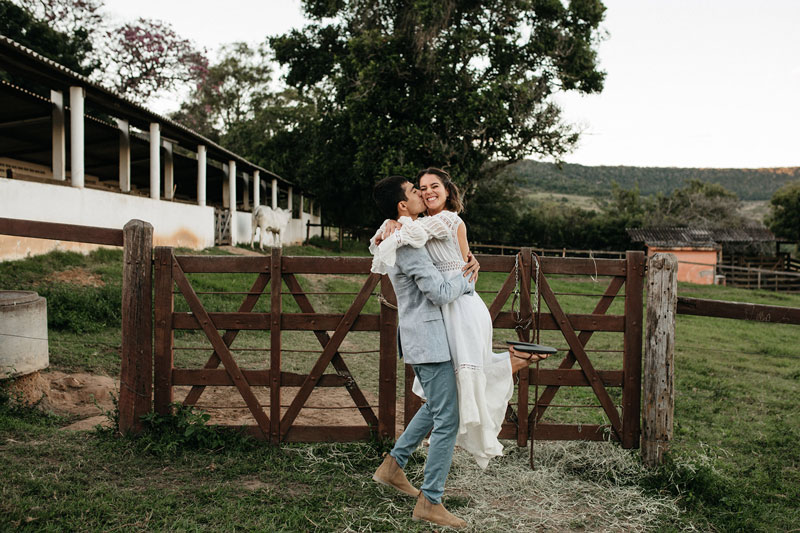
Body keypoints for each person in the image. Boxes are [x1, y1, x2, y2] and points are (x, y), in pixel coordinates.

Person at [370, 167, 546, 472]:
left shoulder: (446, 221)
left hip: (460, 308)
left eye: (433, 186)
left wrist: (393, 223)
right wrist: (391, 222)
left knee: (460, 381)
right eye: (420, 188)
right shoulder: (415, 226)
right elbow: (395, 238)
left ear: (448, 191)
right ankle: (513, 361)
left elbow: (411, 239)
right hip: (442, 313)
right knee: (450, 391)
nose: (426, 192)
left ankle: (512, 363)